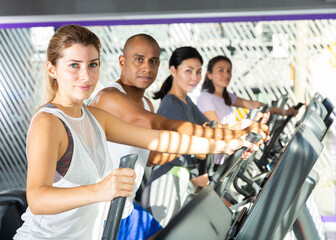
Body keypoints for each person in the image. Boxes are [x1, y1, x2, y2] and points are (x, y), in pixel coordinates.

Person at [13, 25, 259, 240]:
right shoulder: (49, 122)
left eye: (93, 64)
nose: (85, 75)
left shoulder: (93, 118)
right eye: (74, 66)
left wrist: (224, 143)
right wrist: (101, 190)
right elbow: (37, 198)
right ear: (52, 69)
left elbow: (158, 140)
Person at [90, 36, 268, 236]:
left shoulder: (147, 103)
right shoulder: (110, 97)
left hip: (127, 209)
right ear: (122, 61)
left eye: (153, 61)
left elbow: (153, 156)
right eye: (139, 59)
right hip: (103, 215)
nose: (147, 68)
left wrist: (234, 130)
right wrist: (228, 138)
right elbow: (159, 125)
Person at [140, 46, 234, 227]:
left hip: (181, 181)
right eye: (188, 71)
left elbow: (210, 129)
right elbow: (187, 146)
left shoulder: (186, 101)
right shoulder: (171, 106)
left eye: (198, 72)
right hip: (166, 185)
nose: (195, 78)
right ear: (173, 70)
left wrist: (241, 130)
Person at [197, 55, 298, 125]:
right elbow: (217, 129)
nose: (226, 74)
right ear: (209, 74)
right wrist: (248, 123)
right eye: (221, 70)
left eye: (229, 71)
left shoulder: (226, 96)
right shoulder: (205, 98)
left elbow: (254, 105)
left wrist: (284, 112)